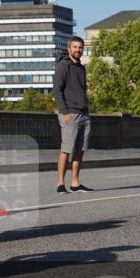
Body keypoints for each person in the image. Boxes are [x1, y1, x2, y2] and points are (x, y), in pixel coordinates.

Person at [54, 36, 92, 193]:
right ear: (69, 49)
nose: (78, 50)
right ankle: (60, 183)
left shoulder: (81, 68)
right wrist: (65, 112)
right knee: (66, 149)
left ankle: (75, 183)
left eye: (80, 47)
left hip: (84, 114)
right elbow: (57, 90)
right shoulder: (63, 66)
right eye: (75, 47)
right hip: (70, 113)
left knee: (80, 150)